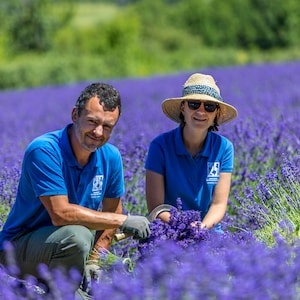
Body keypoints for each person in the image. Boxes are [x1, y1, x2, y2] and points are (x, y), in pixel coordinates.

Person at [0, 82, 150, 297]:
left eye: (107, 126)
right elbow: (61, 214)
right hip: (18, 249)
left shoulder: (111, 157)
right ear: (74, 115)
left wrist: (95, 260)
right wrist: (124, 221)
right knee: (77, 236)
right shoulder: (45, 150)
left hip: (70, 252)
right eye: (92, 121)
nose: (98, 132)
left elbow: (113, 209)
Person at [145, 73, 238, 232]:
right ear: (183, 107)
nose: (201, 111)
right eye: (194, 104)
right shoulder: (160, 146)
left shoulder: (224, 148)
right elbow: (156, 207)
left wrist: (201, 228)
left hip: (208, 231)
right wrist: (184, 227)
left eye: (209, 106)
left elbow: (218, 204)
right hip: (169, 229)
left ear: (216, 112)